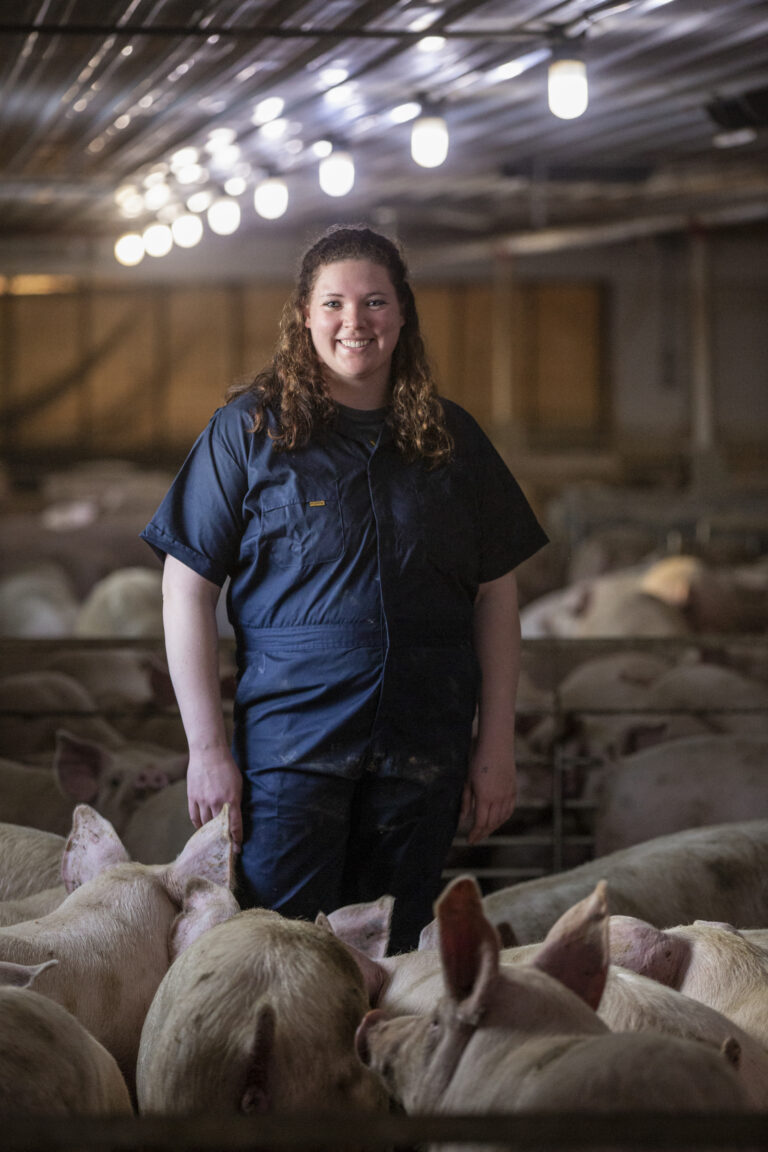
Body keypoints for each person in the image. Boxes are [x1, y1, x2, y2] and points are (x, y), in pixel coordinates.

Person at [141, 223, 547, 953]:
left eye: (374, 302)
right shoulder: (250, 431)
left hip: (423, 745)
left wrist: (496, 747)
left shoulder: (452, 442)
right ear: (304, 315)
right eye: (333, 303)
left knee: (395, 950)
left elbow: (496, 596)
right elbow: (187, 585)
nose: (354, 322)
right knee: (279, 949)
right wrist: (206, 750)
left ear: (402, 314)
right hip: (293, 746)